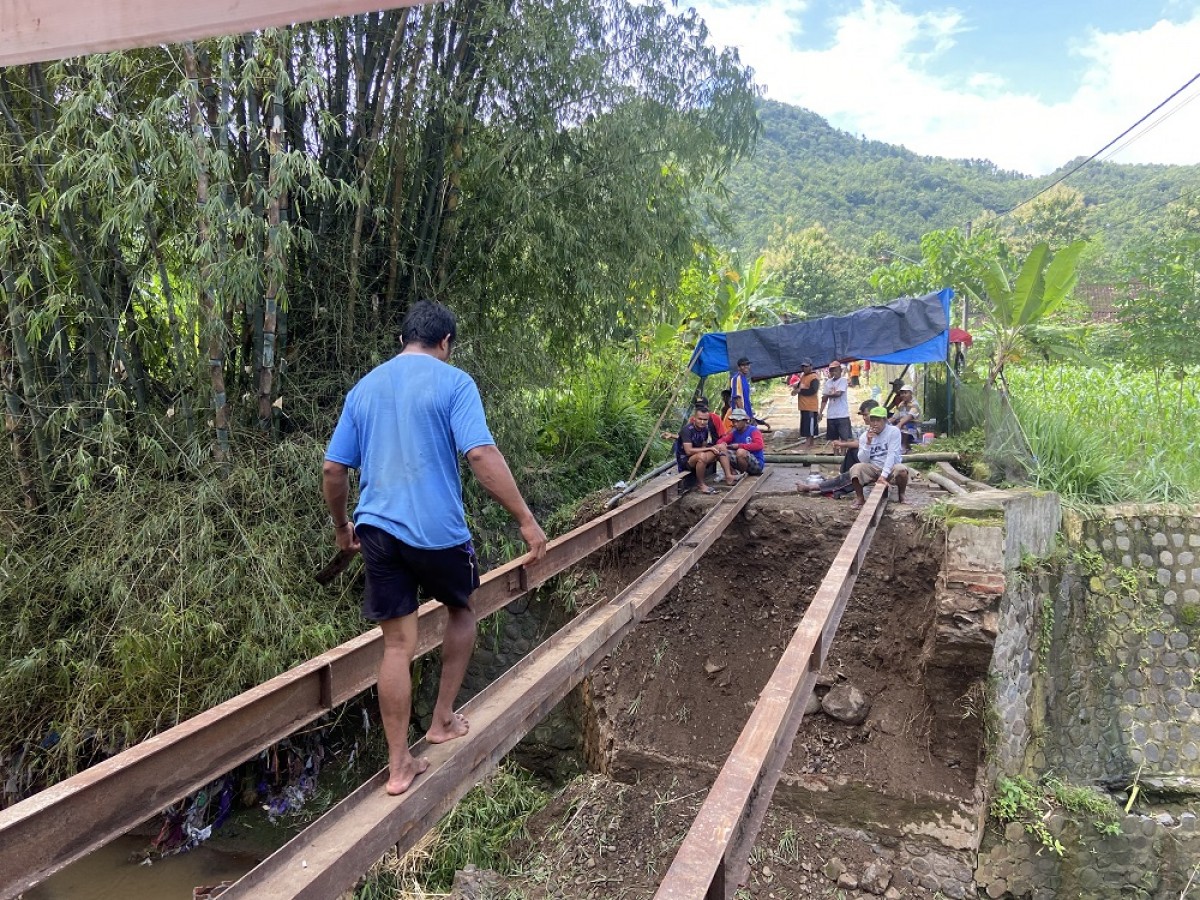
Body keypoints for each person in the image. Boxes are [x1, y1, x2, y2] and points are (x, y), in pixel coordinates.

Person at [322, 299, 548, 796]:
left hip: (377, 530)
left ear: (405, 338)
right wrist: (526, 521)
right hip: (439, 532)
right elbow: (481, 454)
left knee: (397, 646)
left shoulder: (364, 389)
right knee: (461, 608)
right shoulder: (454, 382)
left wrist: (343, 529)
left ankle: (399, 766)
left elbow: (334, 470)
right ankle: (442, 719)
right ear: (445, 341)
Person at [795, 400, 875, 498]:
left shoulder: (888, 431)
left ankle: (813, 487)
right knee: (852, 453)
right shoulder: (869, 431)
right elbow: (861, 444)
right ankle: (843, 476)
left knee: (851, 474)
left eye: (866, 415)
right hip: (870, 463)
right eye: (863, 415)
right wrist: (843, 444)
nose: (864, 418)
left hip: (876, 467)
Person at [845, 406, 908, 508]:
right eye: (872, 420)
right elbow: (863, 459)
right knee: (856, 468)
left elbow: (891, 455)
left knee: (901, 470)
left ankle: (902, 495)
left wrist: (883, 476)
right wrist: (868, 443)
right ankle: (860, 498)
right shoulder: (864, 436)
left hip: (892, 467)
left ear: (885, 421)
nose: (875, 424)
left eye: (878, 420)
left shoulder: (893, 432)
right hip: (874, 468)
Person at [674, 400, 725, 494]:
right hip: (686, 460)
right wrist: (709, 449)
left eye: (705, 420)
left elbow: (703, 445)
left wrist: (713, 453)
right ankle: (701, 484)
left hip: (698, 456)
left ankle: (729, 475)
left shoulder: (705, 429)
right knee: (702, 455)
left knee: (721, 447)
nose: (702, 422)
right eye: (699, 419)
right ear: (694, 418)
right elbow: (688, 451)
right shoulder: (687, 430)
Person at [716, 408, 765, 477]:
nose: (735, 424)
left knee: (741, 452)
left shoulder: (753, 430)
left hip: (756, 463)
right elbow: (720, 441)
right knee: (719, 450)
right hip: (740, 461)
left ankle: (742, 474)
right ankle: (733, 472)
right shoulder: (734, 432)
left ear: (745, 421)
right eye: (733, 422)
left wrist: (739, 446)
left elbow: (759, 445)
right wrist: (723, 444)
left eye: (737, 421)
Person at [790, 357, 821, 452]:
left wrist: (800, 391)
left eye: (806, 366)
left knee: (810, 426)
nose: (804, 368)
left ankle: (809, 443)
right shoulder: (803, 376)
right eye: (803, 367)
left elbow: (813, 390)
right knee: (806, 425)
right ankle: (808, 443)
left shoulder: (814, 377)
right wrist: (796, 388)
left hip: (810, 406)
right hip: (804, 406)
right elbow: (800, 386)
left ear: (811, 366)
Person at [820, 361, 853, 442]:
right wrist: (820, 412)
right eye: (832, 370)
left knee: (844, 439)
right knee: (833, 440)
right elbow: (824, 399)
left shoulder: (843, 381)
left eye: (836, 370)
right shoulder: (828, 382)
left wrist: (828, 394)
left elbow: (838, 394)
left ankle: (843, 454)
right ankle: (836, 454)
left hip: (842, 414)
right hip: (831, 415)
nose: (834, 372)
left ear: (840, 370)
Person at [890, 384, 922, 450]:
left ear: (910, 393)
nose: (903, 395)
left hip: (914, 427)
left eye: (905, 393)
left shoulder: (915, 404)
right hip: (903, 425)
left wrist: (899, 425)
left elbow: (909, 417)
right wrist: (885, 422)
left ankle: (903, 446)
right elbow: (895, 417)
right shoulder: (901, 404)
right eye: (901, 393)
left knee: (903, 427)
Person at [730, 357, 754, 422]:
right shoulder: (736, 379)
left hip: (746, 412)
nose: (746, 366)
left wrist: (750, 415)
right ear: (738, 367)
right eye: (743, 365)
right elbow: (737, 398)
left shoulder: (744, 379)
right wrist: (744, 415)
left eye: (747, 364)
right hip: (739, 415)